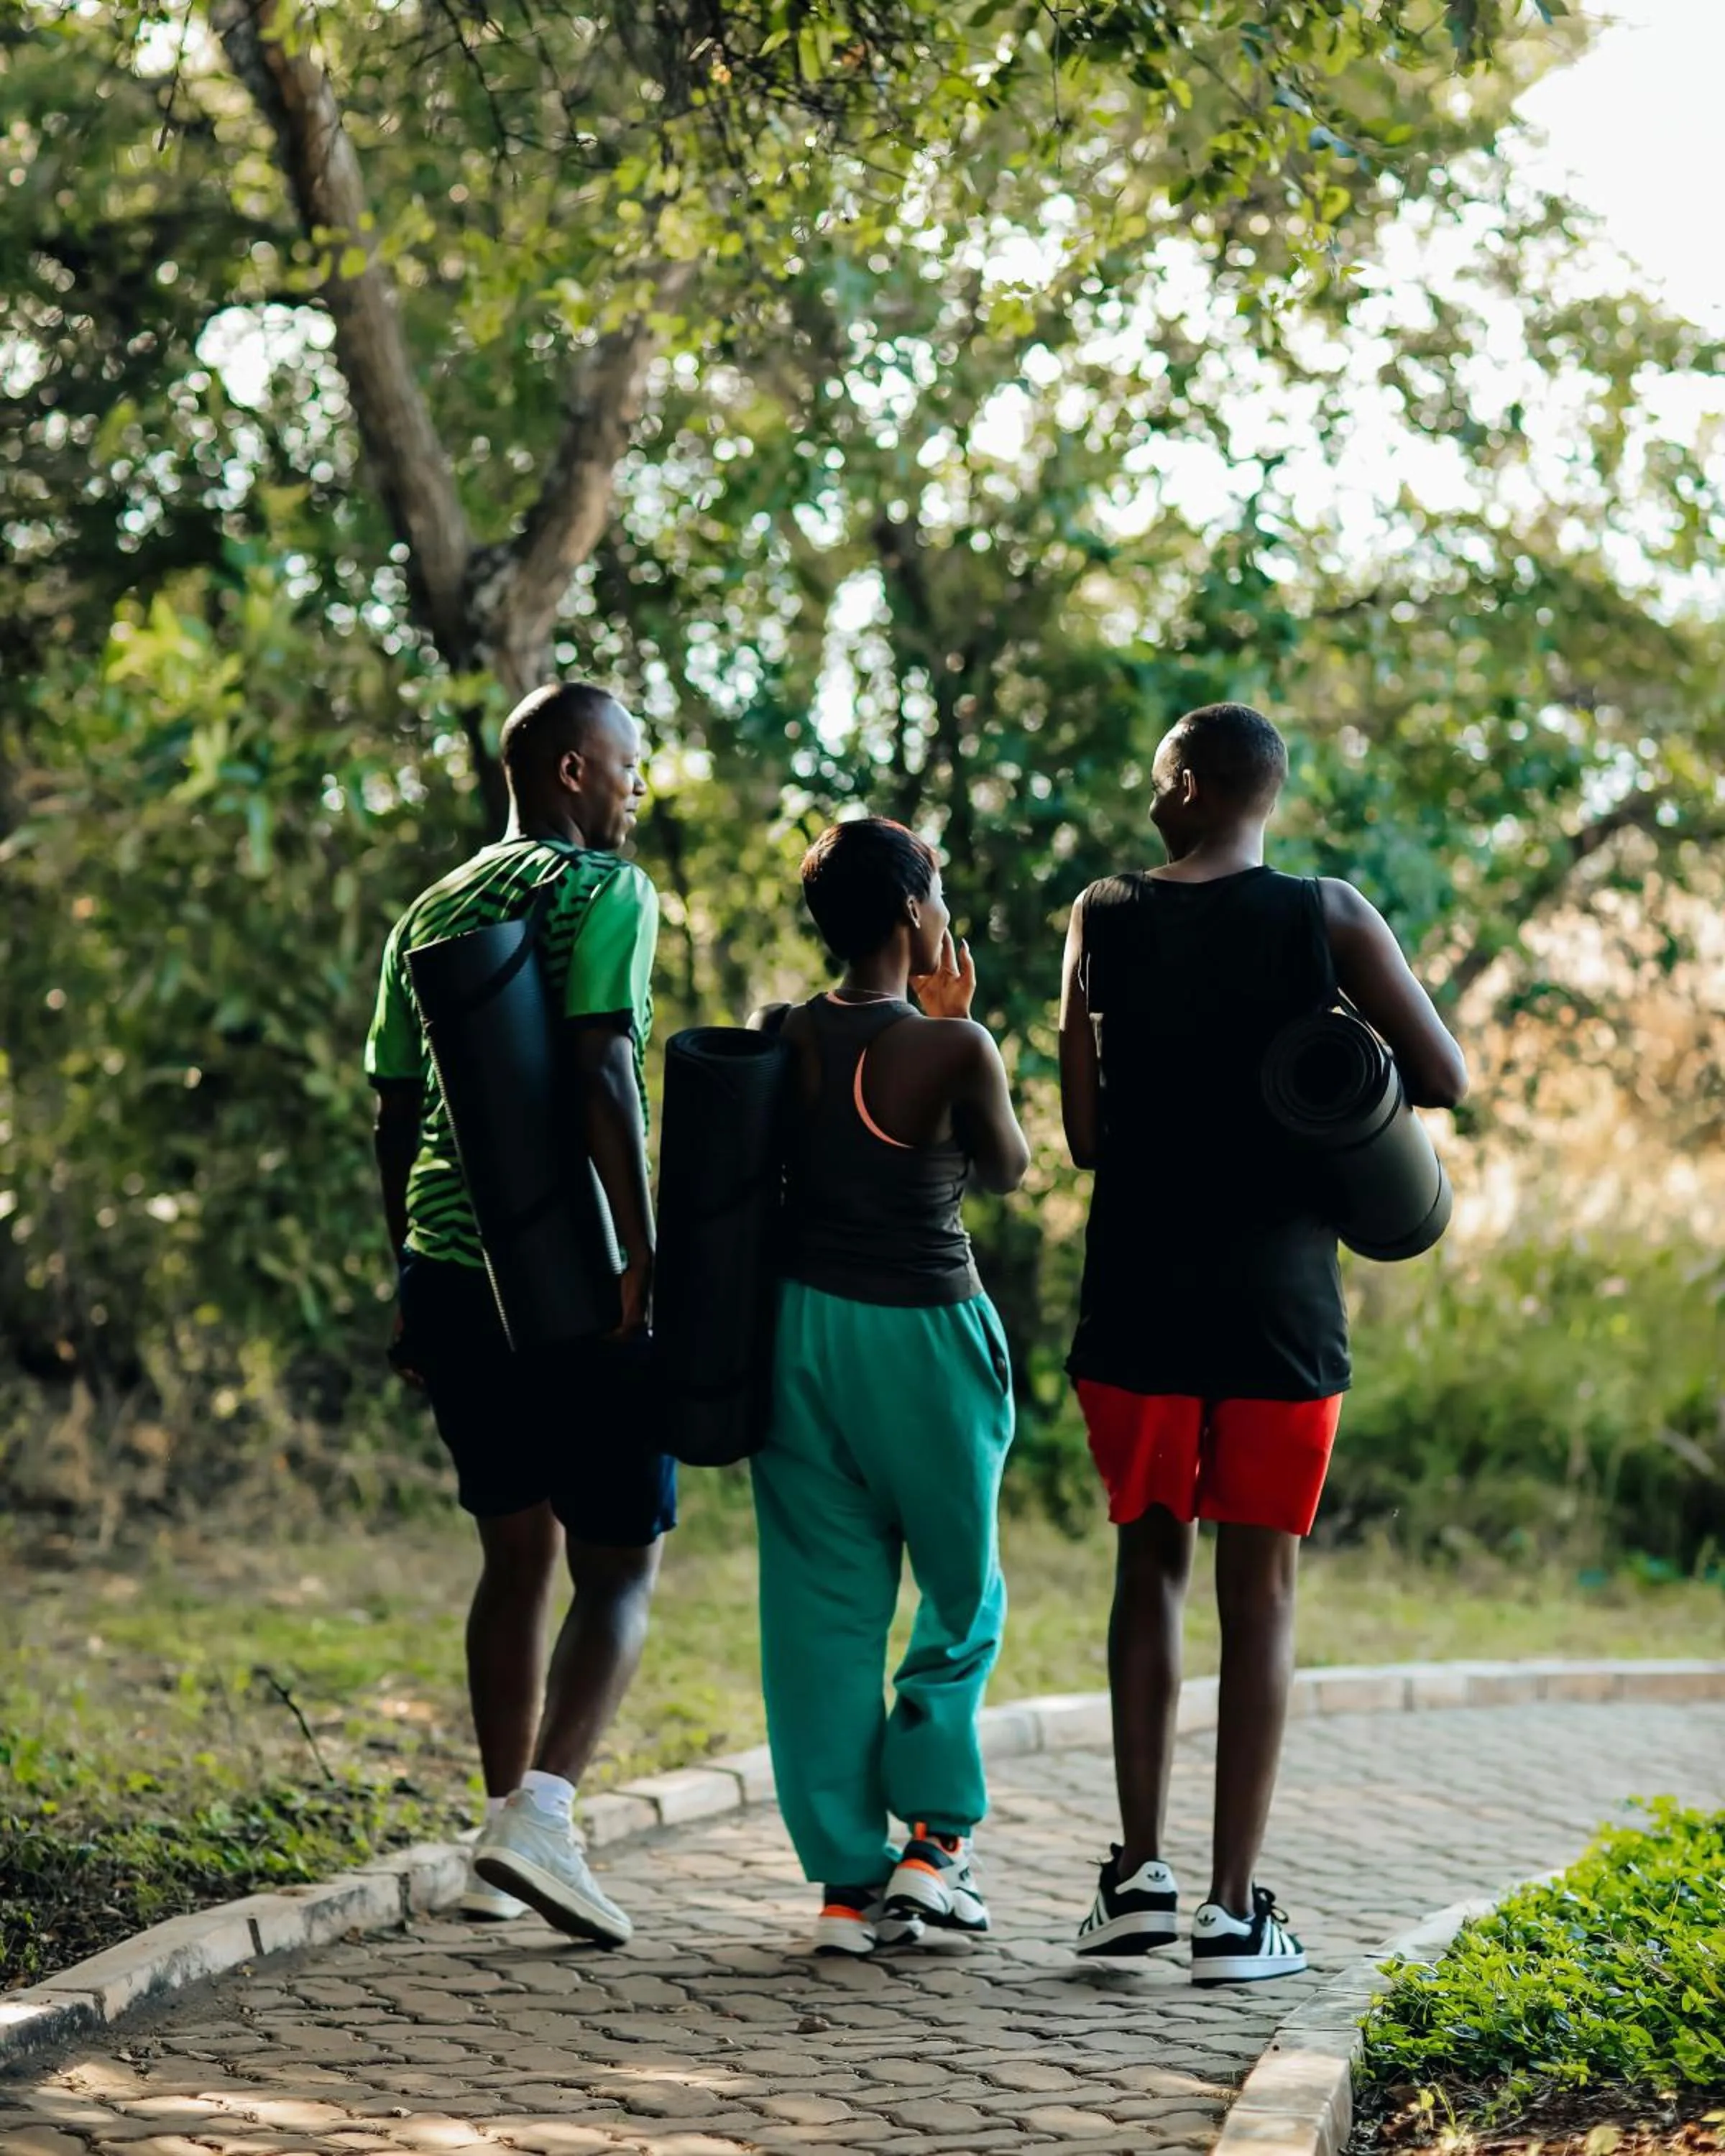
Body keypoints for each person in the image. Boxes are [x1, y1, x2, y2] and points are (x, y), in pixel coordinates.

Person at [1059, 703, 1467, 1984]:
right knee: (1263, 1592)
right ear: (1268, 797)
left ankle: (1136, 1885)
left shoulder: (1103, 913)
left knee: (1149, 1570)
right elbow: (1442, 1074)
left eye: (1154, 778)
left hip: (1136, 1301)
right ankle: (1236, 1913)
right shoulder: (1328, 913)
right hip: (1281, 1307)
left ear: (1184, 785)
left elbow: (1082, 1133)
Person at [365, 681, 673, 1946]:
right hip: (574, 1275)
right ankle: (542, 1817)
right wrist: (641, 1255)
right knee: (621, 1564)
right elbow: (603, 1065)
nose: (634, 789)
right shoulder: (604, 893)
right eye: (623, 766)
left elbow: (392, 1109)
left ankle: (502, 1827)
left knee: (515, 1550)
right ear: (565, 771)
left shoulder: (428, 909)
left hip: (449, 1267)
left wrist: (408, 1272)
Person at [748, 818, 1031, 1956]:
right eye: (942, 894)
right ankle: (935, 1848)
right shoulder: (953, 1048)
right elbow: (1008, 1173)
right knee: (961, 1595)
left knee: (819, 1608)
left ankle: (843, 1889)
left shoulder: (784, 1035)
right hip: (924, 1338)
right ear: (916, 914)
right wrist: (960, 1030)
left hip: (800, 1339)